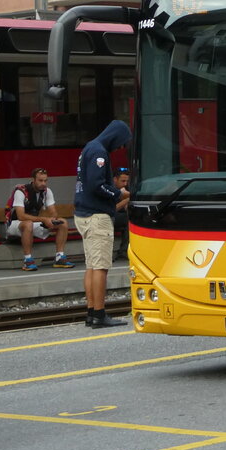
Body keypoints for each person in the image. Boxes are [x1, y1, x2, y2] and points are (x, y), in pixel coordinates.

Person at [74, 121, 132, 328]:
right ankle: (99, 314)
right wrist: (119, 193)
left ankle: (91, 312)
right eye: (121, 143)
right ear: (115, 137)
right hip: (97, 216)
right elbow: (97, 185)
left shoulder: (89, 147)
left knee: (91, 266)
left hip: (84, 214)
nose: (119, 148)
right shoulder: (100, 152)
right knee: (101, 267)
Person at [6, 167, 75, 272]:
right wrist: (43, 219)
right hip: (14, 224)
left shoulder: (47, 191)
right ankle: (28, 260)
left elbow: (53, 211)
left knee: (62, 223)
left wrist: (52, 219)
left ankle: (59, 257)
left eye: (45, 180)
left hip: (34, 222)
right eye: (40, 180)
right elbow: (21, 216)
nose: (43, 183)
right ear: (33, 180)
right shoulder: (21, 191)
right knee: (28, 224)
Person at [112, 168, 130, 261]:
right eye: (122, 181)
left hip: (120, 218)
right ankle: (123, 251)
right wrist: (127, 199)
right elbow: (112, 209)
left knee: (132, 220)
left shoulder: (126, 189)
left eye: (127, 181)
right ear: (115, 179)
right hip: (107, 218)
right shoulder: (110, 189)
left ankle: (124, 251)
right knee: (129, 220)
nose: (125, 184)